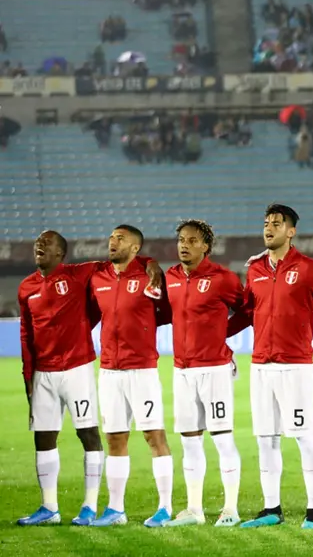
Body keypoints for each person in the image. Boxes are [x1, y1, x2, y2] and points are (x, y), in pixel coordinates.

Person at [16, 231, 160, 527]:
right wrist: (28, 374)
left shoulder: (80, 274)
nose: (40, 247)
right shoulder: (26, 287)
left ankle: (89, 506)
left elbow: (125, 261)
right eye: (37, 244)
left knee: (89, 434)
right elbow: (26, 333)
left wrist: (150, 262)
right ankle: (49, 507)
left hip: (77, 368)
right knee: (43, 438)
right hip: (43, 372)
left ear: (61, 253)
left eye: (48, 244)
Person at [226, 204, 313, 530]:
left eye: (276, 224)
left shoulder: (308, 268)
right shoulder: (255, 269)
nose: (269, 228)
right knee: (266, 439)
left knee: (305, 437)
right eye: (266, 223)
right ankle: (271, 509)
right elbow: (248, 311)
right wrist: (216, 335)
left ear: (291, 231)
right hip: (262, 365)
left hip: (296, 367)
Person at [89, 225, 174, 527]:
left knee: (154, 435)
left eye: (120, 239)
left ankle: (165, 507)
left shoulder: (148, 276)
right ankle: (115, 510)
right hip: (109, 370)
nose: (113, 242)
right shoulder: (98, 277)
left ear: (135, 248)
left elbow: (167, 312)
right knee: (115, 438)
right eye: (111, 237)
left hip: (142, 370)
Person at [163, 220, 244, 528]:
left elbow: (247, 309)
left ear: (205, 246)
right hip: (182, 370)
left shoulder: (223, 278)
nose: (184, 244)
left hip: (214, 370)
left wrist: (223, 333)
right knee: (190, 442)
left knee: (223, 440)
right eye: (181, 239)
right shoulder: (169, 277)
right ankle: (194, 510)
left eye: (192, 240)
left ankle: (231, 509)